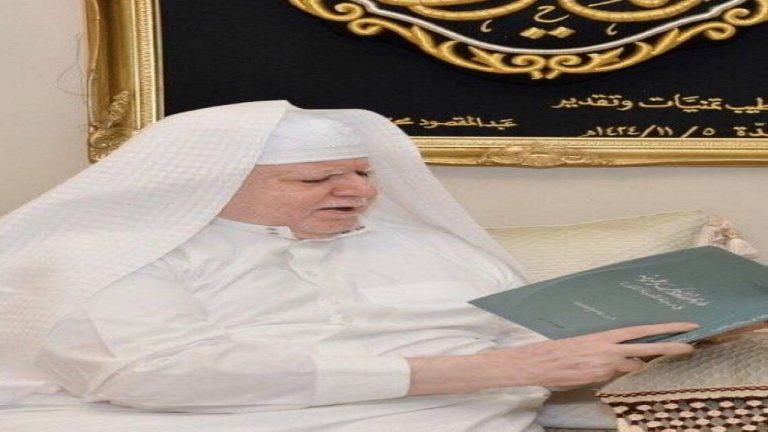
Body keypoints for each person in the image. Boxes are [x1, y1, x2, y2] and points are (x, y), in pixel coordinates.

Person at [0, 101, 696, 431]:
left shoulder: (433, 247)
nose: (357, 192)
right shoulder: (104, 255)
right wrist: (493, 370)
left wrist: (646, 340)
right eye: (316, 179)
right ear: (209, 186)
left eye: (363, 173)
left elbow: (538, 346)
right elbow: (154, 375)